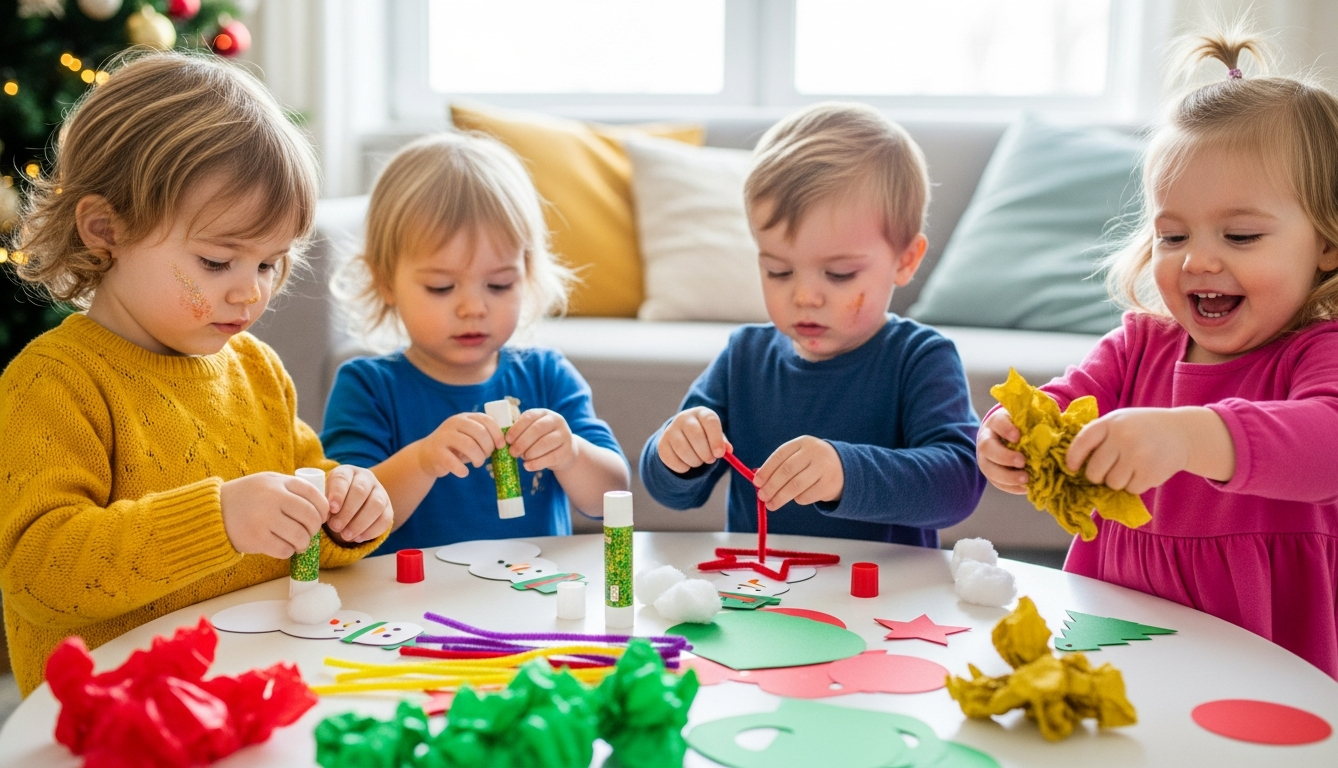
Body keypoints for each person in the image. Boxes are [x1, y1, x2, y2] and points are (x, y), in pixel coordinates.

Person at [977, 33, 1338, 755]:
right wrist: (1007, 434)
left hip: (1279, 643)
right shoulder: (1140, 343)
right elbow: (1061, 400)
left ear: (1328, 244)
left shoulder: (1335, 350)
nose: (1198, 259)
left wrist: (1191, 436)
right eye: (1173, 235)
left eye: (1240, 235)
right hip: (1123, 623)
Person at [0, 52, 394, 695]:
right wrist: (219, 518)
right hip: (116, 719)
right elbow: (39, 573)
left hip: (246, 692)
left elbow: (300, 505)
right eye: (217, 262)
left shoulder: (255, 369)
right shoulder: (53, 383)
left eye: (269, 264)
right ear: (106, 230)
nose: (251, 295)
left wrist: (343, 507)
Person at [639, 103, 985, 547]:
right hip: (763, 594)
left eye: (839, 274)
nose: (804, 296)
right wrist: (674, 450)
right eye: (779, 271)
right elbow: (671, 492)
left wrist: (845, 473)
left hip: (884, 603)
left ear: (905, 260)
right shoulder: (744, 357)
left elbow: (958, 484)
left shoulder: (920, 358)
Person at [321, 133, 629, 552]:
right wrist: (422, 460)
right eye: (441, 287)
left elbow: (612, 496)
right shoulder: (368, 388)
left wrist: (571, 453)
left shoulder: (547, 376)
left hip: (532, 595)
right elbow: (345, 521)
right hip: (413, 605)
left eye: (499, 284)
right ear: (384, 280)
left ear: (527, 274)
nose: (473, 308)